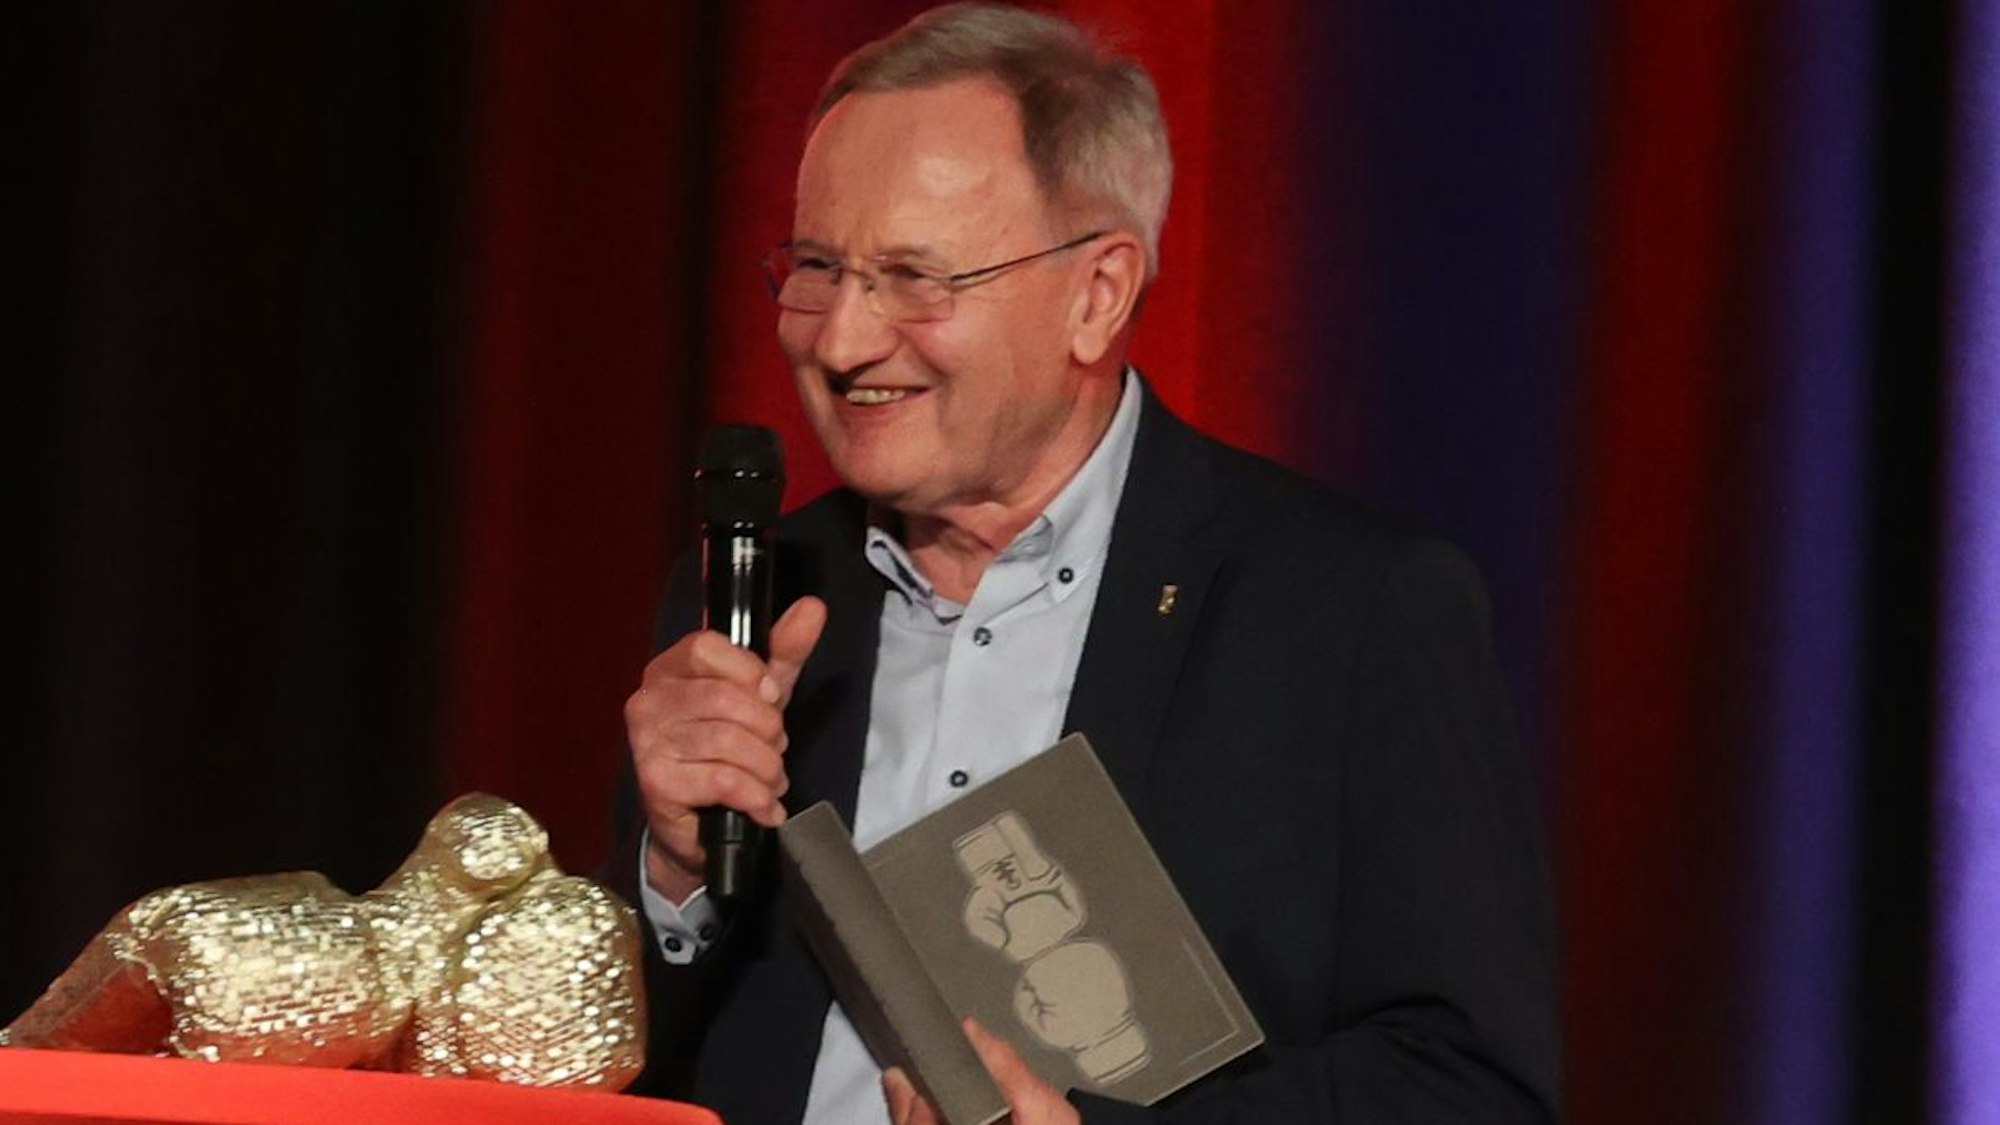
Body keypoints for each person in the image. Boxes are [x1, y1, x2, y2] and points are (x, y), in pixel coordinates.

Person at [608, 4, 1561, 1122]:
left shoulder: (1350, 610)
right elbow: (640, 1062)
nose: (839, 340)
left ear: (1096, 294)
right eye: (818, 265)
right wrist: (673, 877)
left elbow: (1467, 1088)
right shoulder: (750, 599)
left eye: (914, 277)